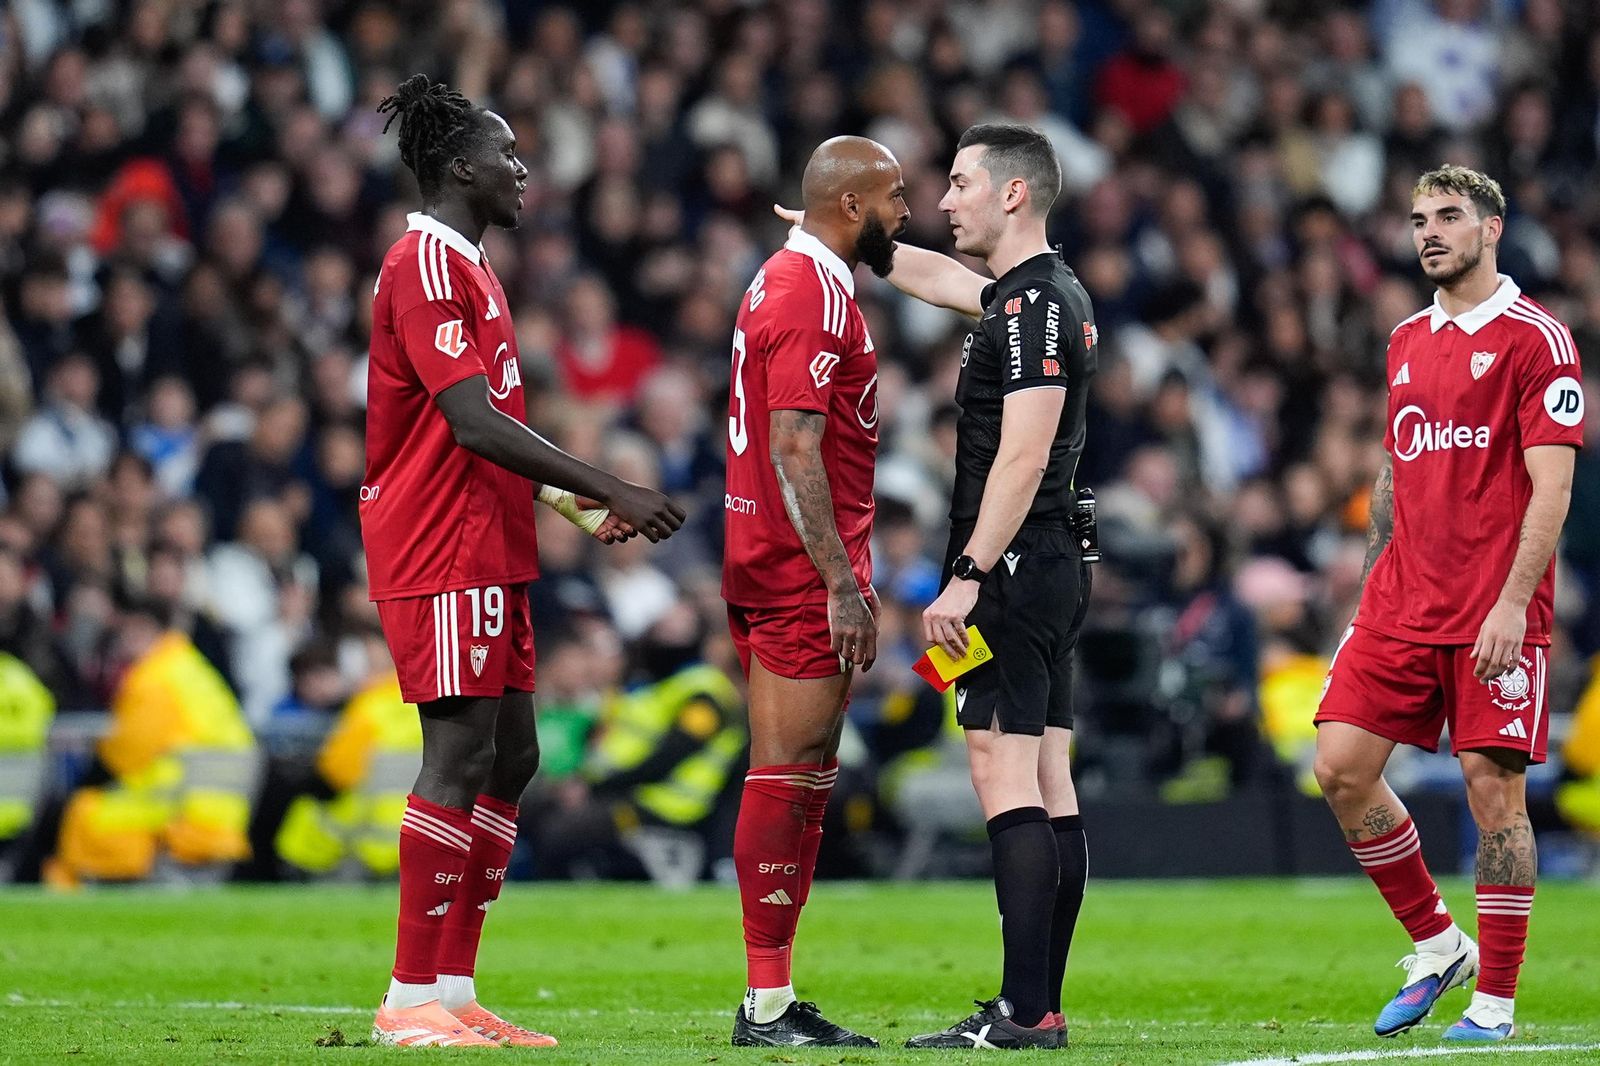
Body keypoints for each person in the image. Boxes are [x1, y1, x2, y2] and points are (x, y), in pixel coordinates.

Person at [362, 75, 685, 1049]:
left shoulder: (471, 266)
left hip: (488, 541)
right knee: (457, 754)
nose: (524, 169)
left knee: (514, 756)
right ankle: (407, 995)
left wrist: (570, 501)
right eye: (508, 154)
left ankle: (453, 990)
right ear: (460, 167)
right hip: (440, 542)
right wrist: (611, 482)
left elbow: (484, 421)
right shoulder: (425, 264)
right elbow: (467, 423)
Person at [785, 123, 1097, 1049]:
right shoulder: (1029, 296)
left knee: (1002, 774)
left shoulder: (1035, 306)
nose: (944, 198)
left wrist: (965, 575)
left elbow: (1025, 452)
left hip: (1012, 564)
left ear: (1013, 194)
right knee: (1047, 776)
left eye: (960, 183)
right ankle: (1038, 1004)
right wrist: (827, 228)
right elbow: (925, 275)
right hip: (1049, 563)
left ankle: (1022, 1012)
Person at [1313, 165, 1583, 1043]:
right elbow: (1394, 472)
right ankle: (1438, 942)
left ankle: (1495, 1006)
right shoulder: (1403, 340)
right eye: (1420, 217)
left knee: (1493, 797)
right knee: (1341, 769)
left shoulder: (1538, 339)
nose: (1429, 231)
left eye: (1449, 216)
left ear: (1492, 227)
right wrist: (1366, 592)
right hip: (1399, 603)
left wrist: (1512, 605)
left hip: (1492, 610)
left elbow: (1553, 488)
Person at [720, 135, 907, 1048]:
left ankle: (777, 996)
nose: (906, 210)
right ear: (850, 207)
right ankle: (764, 1004)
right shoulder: (809, 296)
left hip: (780, 556)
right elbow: (794, 447)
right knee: (787, 775)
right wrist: (839, 581)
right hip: (800, 569)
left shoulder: (798, 273)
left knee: (809, 777)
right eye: (895, 196)